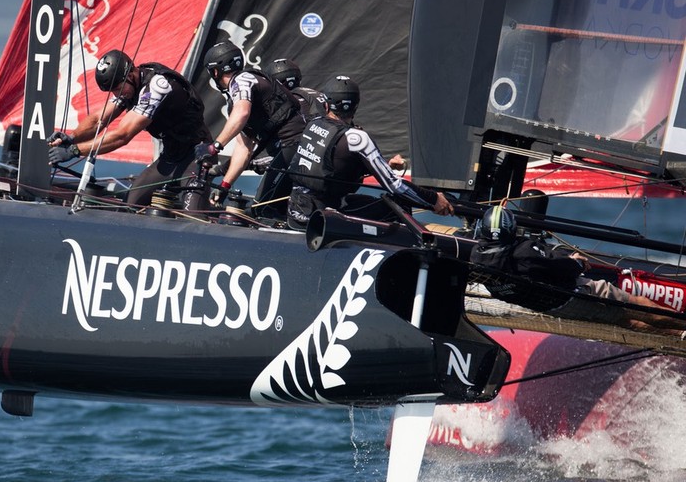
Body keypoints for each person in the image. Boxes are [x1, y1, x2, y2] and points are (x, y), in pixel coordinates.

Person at [470, 205, 684, 334]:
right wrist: (577, 261)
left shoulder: (477, 257)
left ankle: (677, 334)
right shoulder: (524, 252)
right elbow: (567, 269)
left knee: (625, 319)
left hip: (551, 308)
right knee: (637, 305)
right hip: (576, 295)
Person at [285, 74, 454, 229]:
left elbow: (333, 163)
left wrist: (385, 164)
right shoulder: (357, 138)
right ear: (356, 105)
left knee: (364, 201)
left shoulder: (313, 123)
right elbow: (395, 185)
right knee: (397, 207)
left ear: (326, 104)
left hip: (297, 212)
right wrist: (433, 199)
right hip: (325, 217)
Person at [47, 49, 211, 208]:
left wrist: (74, 150)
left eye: (118, 89)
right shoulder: (128, 88)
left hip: (195, 156)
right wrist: (71, 138)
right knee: (130, 206)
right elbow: (98, 120)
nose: (117, 94)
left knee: (193, 216)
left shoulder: (157, 87)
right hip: (170, 157)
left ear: (131, 74)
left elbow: (122, 136)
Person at [194, 41, 306, 220]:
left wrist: (214, 147)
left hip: (294, 145)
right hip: (288, 149)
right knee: (268, 206)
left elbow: (242, 113)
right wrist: (225, 185)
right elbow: (244, 149)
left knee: (264, 209)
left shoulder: (241, 80)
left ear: (215, 72)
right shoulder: (239, 94)